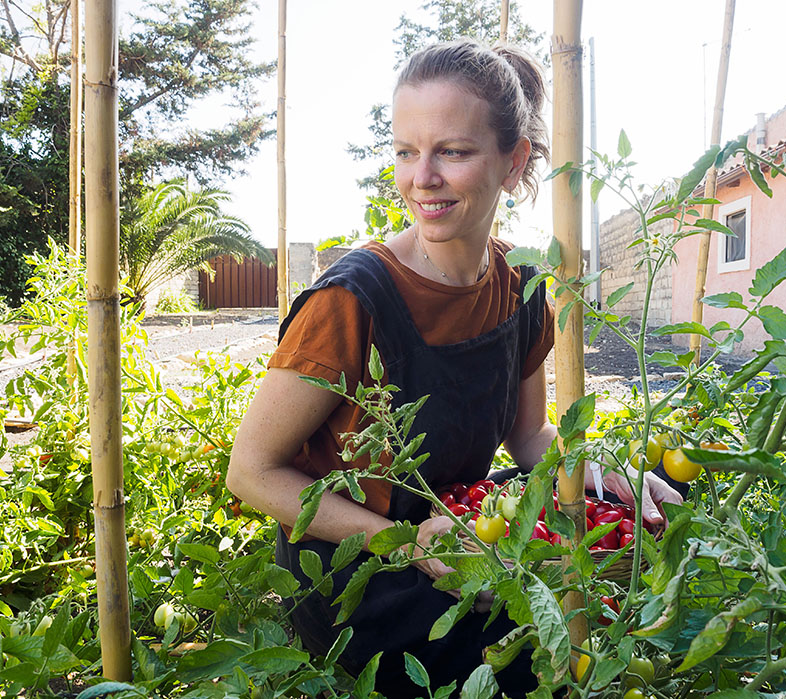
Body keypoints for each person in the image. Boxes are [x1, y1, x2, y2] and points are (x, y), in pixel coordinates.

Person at [227, 38, 683, 697]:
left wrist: (607, 470)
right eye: (406, 151)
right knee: (537, 652)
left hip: (463, 526)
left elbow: (529, 438)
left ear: (512, 160)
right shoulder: (354, 298)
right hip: (366, 570)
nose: (421, 178)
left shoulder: (521, 283)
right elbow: (252, 471)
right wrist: (406, 545)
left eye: (453, 151)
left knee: (664, 494)